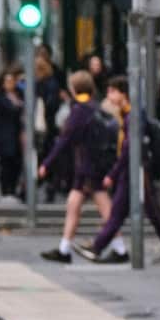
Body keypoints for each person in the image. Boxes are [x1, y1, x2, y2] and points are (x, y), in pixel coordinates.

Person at [75, 77, 160, 264]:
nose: (109, 96)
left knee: (145, 210)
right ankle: (99, 246)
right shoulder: (127, 114)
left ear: (122, 94)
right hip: (132, 169)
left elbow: (129, 149)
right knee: (125, 210)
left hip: (137, 169)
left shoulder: (133, 115)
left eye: (112, 91)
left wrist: (113, 173)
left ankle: (98, 246)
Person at [38, 70, 116, 263]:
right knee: (73, 205)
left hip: (88, 167)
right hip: (90, 166)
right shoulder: (94, 107)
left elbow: (64, 139)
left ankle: (119, 248)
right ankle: (64, 249)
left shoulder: (80, 110)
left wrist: (47, 163)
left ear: (74, 88)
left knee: (105, 209)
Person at [0, 70, 25, 201]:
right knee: (6, 164)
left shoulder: (20, 95)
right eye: (7, 81)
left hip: (17, 136)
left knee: (16, 164)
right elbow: (11, 109)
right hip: (4, 136)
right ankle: (6, 191)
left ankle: (13, 189)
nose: (10, 84)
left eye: (12, 81)